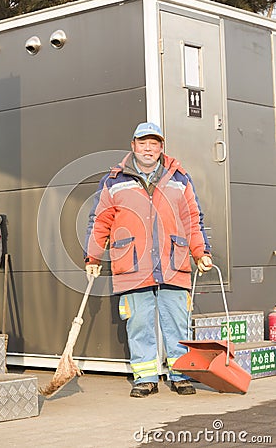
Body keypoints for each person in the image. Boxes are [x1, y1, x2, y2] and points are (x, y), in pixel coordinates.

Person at [84, 122, 212, 398]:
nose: (148, 148)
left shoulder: (180, 178)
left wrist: (201, 252)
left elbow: (192, 219)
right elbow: (100, 220)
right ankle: (145, 378)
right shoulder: (114, 180)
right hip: (132, 264)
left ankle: (180, 373)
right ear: (133, 146)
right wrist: (93, 256)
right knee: (139, 321)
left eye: (154, 143)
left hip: (172, 261)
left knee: (177, 321)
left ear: (161, 148)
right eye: (143, 143)